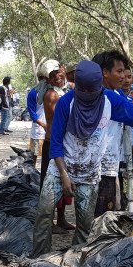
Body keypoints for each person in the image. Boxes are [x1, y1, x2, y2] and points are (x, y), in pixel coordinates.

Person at [31, 61, 133, 256]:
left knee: (84, 224)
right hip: (60, 170)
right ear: (78, 86)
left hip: (90, 173)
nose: (89, 95)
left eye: (93, 90)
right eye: (85, 90)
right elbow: (56, 142)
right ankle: (39, 259)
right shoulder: (66, 103)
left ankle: (74, 261)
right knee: (43, 214)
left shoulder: (109, 101)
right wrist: (64, 175)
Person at [91, 50, 130, 215]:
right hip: (102, 165)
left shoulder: (115, 92)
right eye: (119, 71)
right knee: (103, 214)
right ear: (105, 73)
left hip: (110, 163)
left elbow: (131, 106)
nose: (123, 76)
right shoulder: (104, 95)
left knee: (108, 209)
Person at [39, 62, 75, 233]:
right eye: (53, 75)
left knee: (64, 182)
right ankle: (50, 223)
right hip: (53, 142)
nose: (57, 77)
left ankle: (61, 219)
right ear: (48, 78)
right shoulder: (51, 95)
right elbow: (64, 115)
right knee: (51, 182)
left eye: (59, 72)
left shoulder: (65, 91)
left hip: (63, 143)